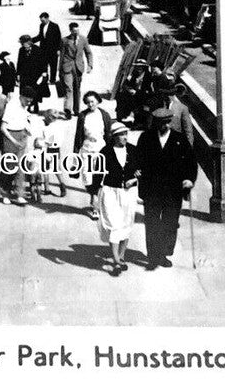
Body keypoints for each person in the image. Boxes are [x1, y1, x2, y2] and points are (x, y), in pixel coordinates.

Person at [136, 108, 197, 269]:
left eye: (164, 123)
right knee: (152, 223)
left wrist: (189, 179)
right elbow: (137, 158)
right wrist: (136, 169)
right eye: (158, 123)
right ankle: (153, 256)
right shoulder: (146, 138)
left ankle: (164, 253)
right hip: (152, 190)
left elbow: (190, 162)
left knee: (170, 223)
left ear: (169, 122)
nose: (162, 126)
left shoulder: (179, 139)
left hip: (173, 190)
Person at [96, 122, 141, 275]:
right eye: (121, 135)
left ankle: (121, 257)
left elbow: (142, 169)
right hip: (111, 192)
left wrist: (134, 179)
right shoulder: (106, 151)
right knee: (114, 225)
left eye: (125, 134)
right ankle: (116, 261)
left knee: (126, 224)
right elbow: (97, 172)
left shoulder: (134, 150)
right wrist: (96, 192)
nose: (124, 137)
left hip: (129, 193)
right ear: (114, 137)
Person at [73, 91, 113, 219]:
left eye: (93, 101)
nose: (90, 104)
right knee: (87, 176)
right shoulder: (83, 116)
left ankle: (95, 204)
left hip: (100, 148)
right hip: (87, 148)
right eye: (88, 102)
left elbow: (109, 134)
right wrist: (75, 153)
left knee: (99, 176)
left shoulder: (104, 115)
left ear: (97, 101)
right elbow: (78, 135)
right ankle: (93, 198)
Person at [0, 94, 31, 205]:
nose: (29, 103)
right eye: (27, 100)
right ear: (22, 97)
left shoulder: (24, 106)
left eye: (30, 101)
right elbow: (3, 128)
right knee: (8, 166)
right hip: (10, 138)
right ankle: (5, 193)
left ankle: (19, 194)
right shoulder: (11, 106)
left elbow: (24, 120)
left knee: (20, 168)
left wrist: (27, 131)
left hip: (21, 136)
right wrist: (14, 141)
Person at [58, 21, 94, 115]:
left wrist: (90, 65)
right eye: (74, 31)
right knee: (68, 88)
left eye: (77, 30)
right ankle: (68, 109)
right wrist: (60, 69)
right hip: (67, 67)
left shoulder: (83, 39)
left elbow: (88, 53)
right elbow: (61, 55)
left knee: (77, 89)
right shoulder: (64, 40)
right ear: (70, 30)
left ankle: (76, 110)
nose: (76, 32)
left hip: (78, 67)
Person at [16, 35, 47, 113]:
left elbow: (43, 62)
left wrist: (44, 72)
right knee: (25, 90)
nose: (23, 45)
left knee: (35, 90)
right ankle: (28, 107)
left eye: (24, 43)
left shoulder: (38, 50)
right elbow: (19, 62)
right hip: (25, 74)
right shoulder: (21, 50)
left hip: (35, 74)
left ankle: (35, 104)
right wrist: (18, 74)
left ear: (29, 42)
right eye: (22, 44)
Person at [32, 13, 63, 85]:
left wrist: (58, 49)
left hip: (53, 49)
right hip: (43, 49)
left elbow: (58, 38)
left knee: (53, 65)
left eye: (43, 20)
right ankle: (45, 79)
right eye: (41, 20)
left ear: (47, 18)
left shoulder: (55, 26)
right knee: (43, 64)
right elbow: (40, 36)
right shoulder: (41, 25)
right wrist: (30, 41)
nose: (42, 22)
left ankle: (52, 80)